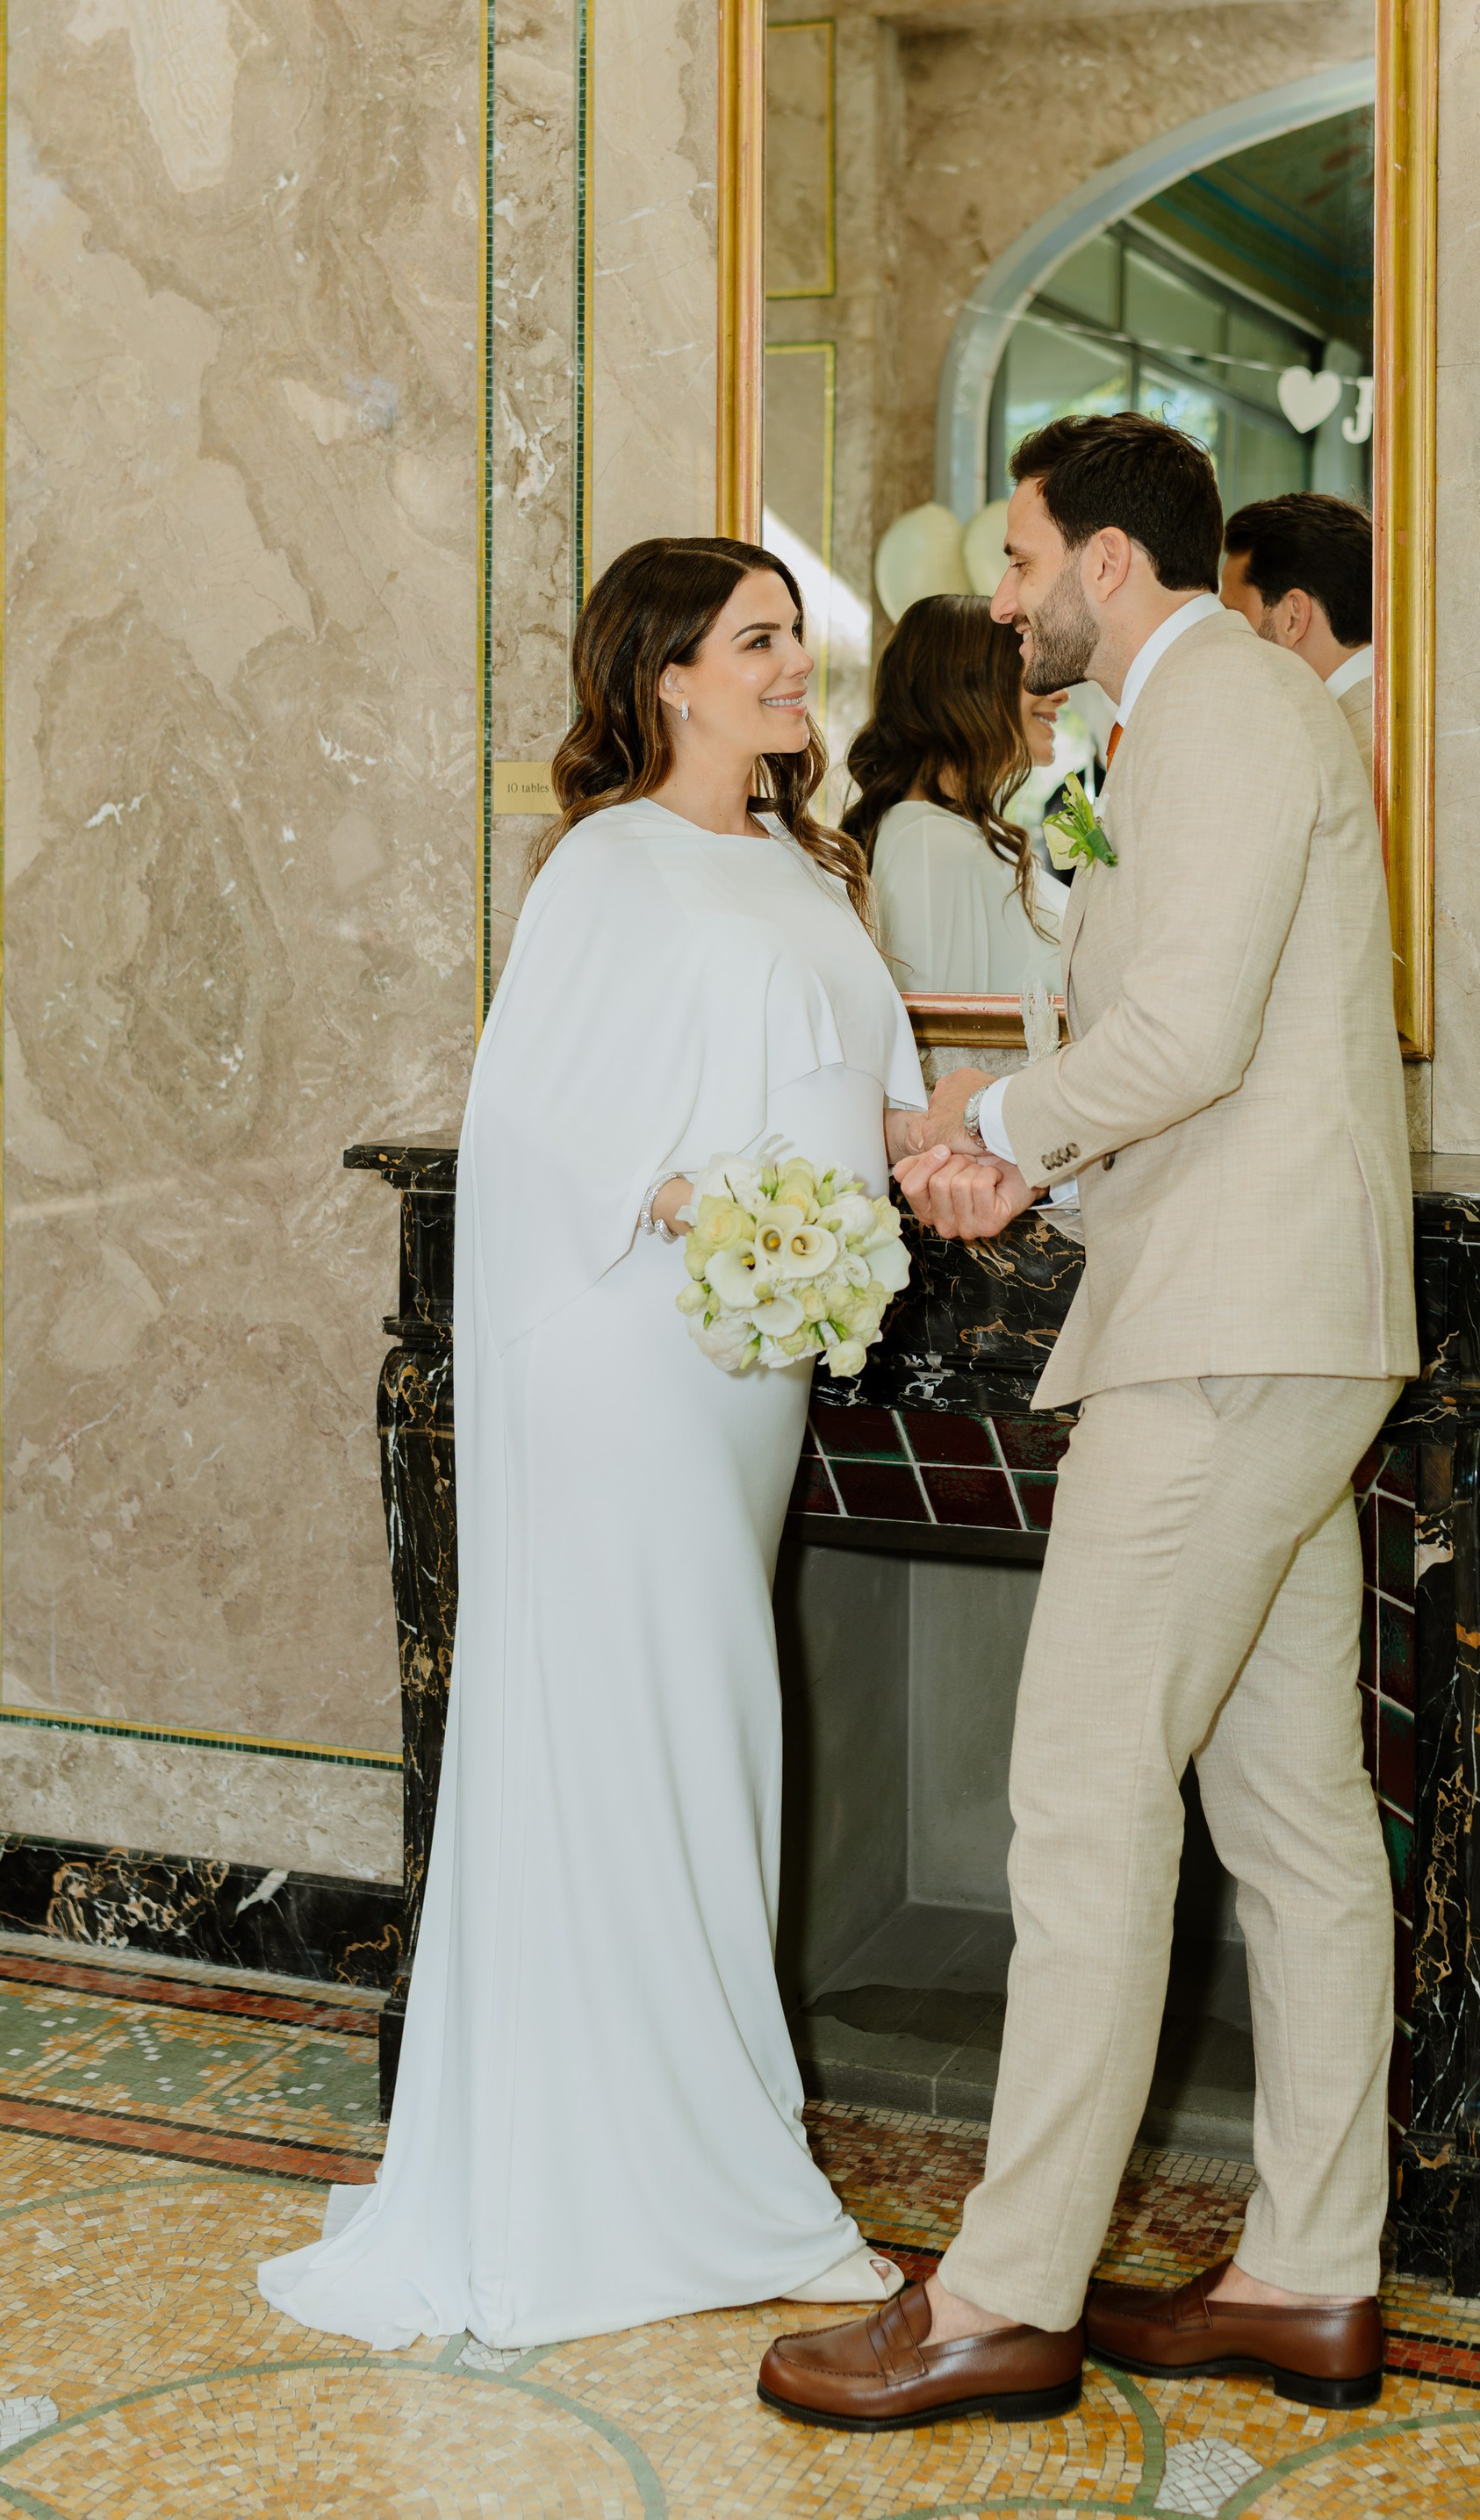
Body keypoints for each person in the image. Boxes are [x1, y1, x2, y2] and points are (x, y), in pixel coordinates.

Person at [758, 414, 1415, 2432]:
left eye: (1024, 551)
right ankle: (1309, 2266)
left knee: (1074, 1784)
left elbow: (1185, 1030)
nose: (1003, 589)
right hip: (1277, 1314)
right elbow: (1153, 1011)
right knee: (1290, 1808)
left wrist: (998, 1137)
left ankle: (1001, 2291)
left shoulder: (1211, 705)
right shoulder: (1190, 721)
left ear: (1108, 560)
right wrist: (1012, 1128)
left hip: (1224, 1330)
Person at [259, 537, 931, 2351]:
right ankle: (675, 2181)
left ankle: (713, 2150)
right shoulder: (607, 870)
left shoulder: (804, 864)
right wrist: (713, 1204)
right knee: (650, 1730)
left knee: (717, 1736)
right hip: (635, 1361)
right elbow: (540, 1137)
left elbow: (862, 1095)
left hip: (752, 1370)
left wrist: (968, 1148)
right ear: (669, 682)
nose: (798, 670)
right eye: (762, 642)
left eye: (797, 641)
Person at [842, 592, 1068, 996]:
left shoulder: (952, 837)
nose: (1060, 690)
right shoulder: (931, 847)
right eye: (1030, 663)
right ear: (970, 684)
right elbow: (941, 1045)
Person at [1220, 492, 1376, 792]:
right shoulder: (1416, 712)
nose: (1227, 637)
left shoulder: (1330, 756)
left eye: (1235, 617)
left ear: (1293, 616)